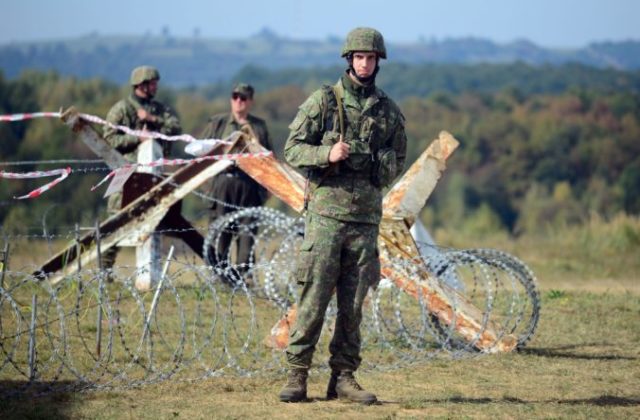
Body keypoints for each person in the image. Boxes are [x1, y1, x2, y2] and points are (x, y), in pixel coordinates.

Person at [279, 28, 407, 404]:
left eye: (371, 58)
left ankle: (344, 378)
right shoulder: (323, 101)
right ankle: (297, 374)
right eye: (359, 57)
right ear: (349, 59)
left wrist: (381, 164)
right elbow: (292, 148)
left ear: (378, 62)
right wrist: (326, 155)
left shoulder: (388, 111)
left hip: (365, 220)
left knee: (353, 305)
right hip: (326, 217)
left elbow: (397, 159)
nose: (365, 64)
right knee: (314, 298)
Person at [101, 65, 181, 273]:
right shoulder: (121, 109)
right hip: (125, 171)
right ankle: (105, 271)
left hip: (153, 174)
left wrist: (152, 120)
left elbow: (175, 128)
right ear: (141, 85)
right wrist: (138, 137)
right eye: (151, 83)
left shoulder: (160, 109)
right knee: (115, 221)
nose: (155, 87)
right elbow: (108, 139)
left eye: (155, 83)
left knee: (154, 221)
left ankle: (149, 271)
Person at [199, 83, 272, 281]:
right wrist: (208, 188)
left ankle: (243, 278)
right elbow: (200, 153)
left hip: (248, 184)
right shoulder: (218, 123)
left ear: (250, 101)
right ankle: (221, 276)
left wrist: (265, 191)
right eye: (235, 96)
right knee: (221, 233)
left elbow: (269, 159)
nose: (238, 101)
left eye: (243, 97)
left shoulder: (258, 126)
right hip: (223, 182)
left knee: (247, 234)